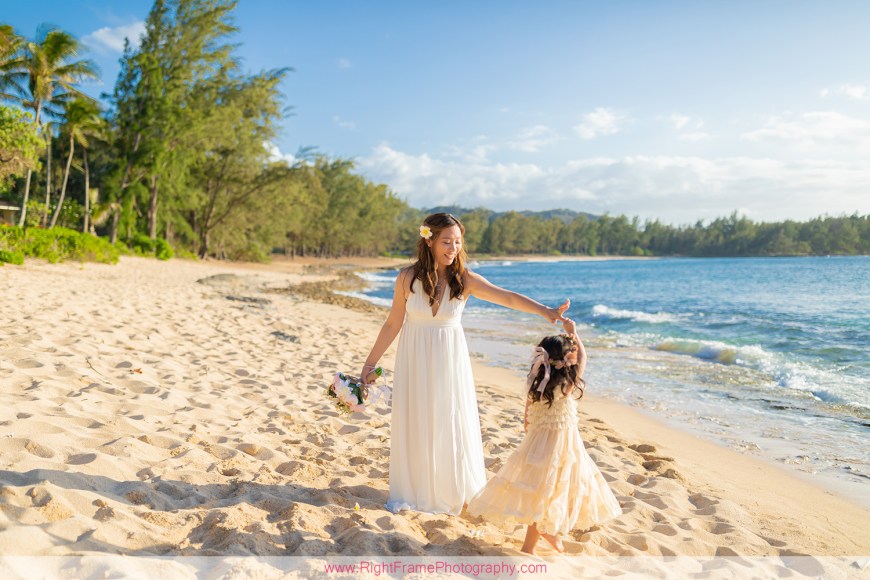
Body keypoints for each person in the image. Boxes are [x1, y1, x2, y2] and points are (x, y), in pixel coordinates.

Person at [360, 212, 570, 515]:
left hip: (449, 361)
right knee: (416, 419)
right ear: (429, 241)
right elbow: (393, 323)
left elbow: (508, 298)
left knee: (448, 421)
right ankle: (417, 490)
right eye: (446, 241)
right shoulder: (407, 278)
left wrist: (546, 311)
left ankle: (451, 490)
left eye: (458, 242)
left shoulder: (465, 279)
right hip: (414, 359)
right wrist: (370, 364)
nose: (453, 248)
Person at [466, 318, 622, 554]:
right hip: (563, 445)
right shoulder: (568, 385)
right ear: (566, 359)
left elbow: (527, 414)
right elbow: (583, 358)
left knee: (541, 488)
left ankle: (538, 540)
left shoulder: (536, 384)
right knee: (552, 489)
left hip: (537, 442)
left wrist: (530, 429)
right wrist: (574, 334)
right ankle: (540, 537)